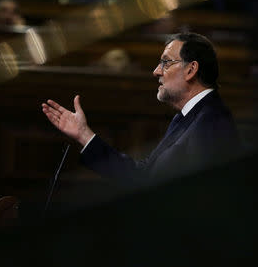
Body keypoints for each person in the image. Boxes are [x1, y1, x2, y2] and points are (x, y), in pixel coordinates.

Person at [42, 32, 241, 187]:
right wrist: (84, 135)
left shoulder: (212, 121)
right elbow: (145, 176)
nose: (156, 71)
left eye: (165, 62)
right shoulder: (187, 117)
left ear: (191, 69)